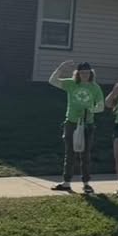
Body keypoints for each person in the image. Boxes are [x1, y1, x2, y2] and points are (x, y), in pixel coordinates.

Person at [48, 60, 104, 194]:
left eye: (87, 72)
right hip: (71, 123)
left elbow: (100, 106)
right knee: (70, 153)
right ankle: (66, 183)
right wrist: (61, 68)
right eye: (82, 73)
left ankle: (86, 184)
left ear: (91, 73)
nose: (85, 75)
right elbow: (52, 81)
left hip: (87, 124)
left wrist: (91, 109)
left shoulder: (95, 87)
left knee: (85, 155)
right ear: (78, 73)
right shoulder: (71, 84)